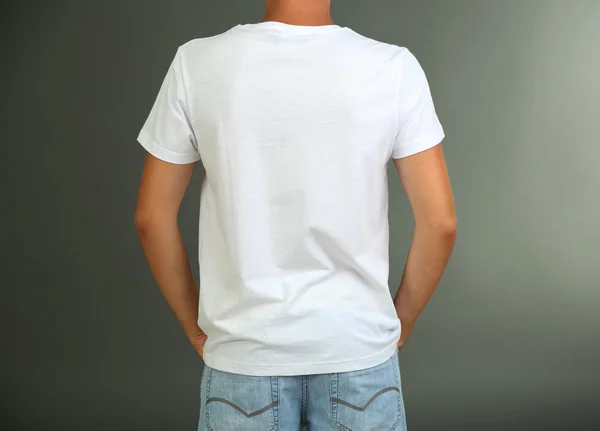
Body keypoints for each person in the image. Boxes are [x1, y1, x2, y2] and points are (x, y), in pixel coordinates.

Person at [134, 0, 456, 429]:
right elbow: (440, 224)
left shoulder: (197, 63)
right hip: (357, 346)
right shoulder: (392, 68)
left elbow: (151, 218)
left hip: (245, 354)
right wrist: (402, 321)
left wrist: (195, 327)